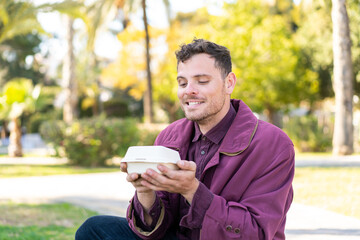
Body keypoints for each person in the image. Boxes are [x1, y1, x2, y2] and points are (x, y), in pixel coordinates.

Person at [76, 38, 295, 240]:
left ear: (229, 83)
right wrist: (145, 191)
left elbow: (254, 233)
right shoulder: (169, 136)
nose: (189, 91)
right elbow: (156, 230)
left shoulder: (273, 144)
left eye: (201, 81)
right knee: (94, 229)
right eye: (182, 83)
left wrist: (192, 190)